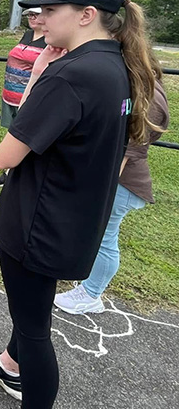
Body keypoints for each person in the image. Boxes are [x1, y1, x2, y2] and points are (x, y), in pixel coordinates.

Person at [0, 0, 157, 409]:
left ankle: (26, 384)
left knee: (34, 331)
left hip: (39, 223)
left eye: (50, 10)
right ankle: (9, 366)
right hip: (73, 218)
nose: (41, 19)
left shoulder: (70, 73)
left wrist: (41, 71)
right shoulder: (115, 65)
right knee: (33, 311)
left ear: (86, 15)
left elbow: (5, 156)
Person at [54, 70, 169, 314]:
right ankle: (87, 282)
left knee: (105, 238)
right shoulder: (137, 82)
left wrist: (98, 191)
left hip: (123, 183)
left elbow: (130, 150)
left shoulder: (149, 93)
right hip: (114, 178)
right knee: (94, 233)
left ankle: (91, 294)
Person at [0, 8, 47, 187]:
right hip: (10, 94)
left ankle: (11, 175)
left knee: (23, 135)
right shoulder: (27, 35)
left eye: (36, 14)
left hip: (28, 97)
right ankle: (11, 172)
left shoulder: (49, 40)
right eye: (30, 15)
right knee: (12, 133)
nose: (32, 18)